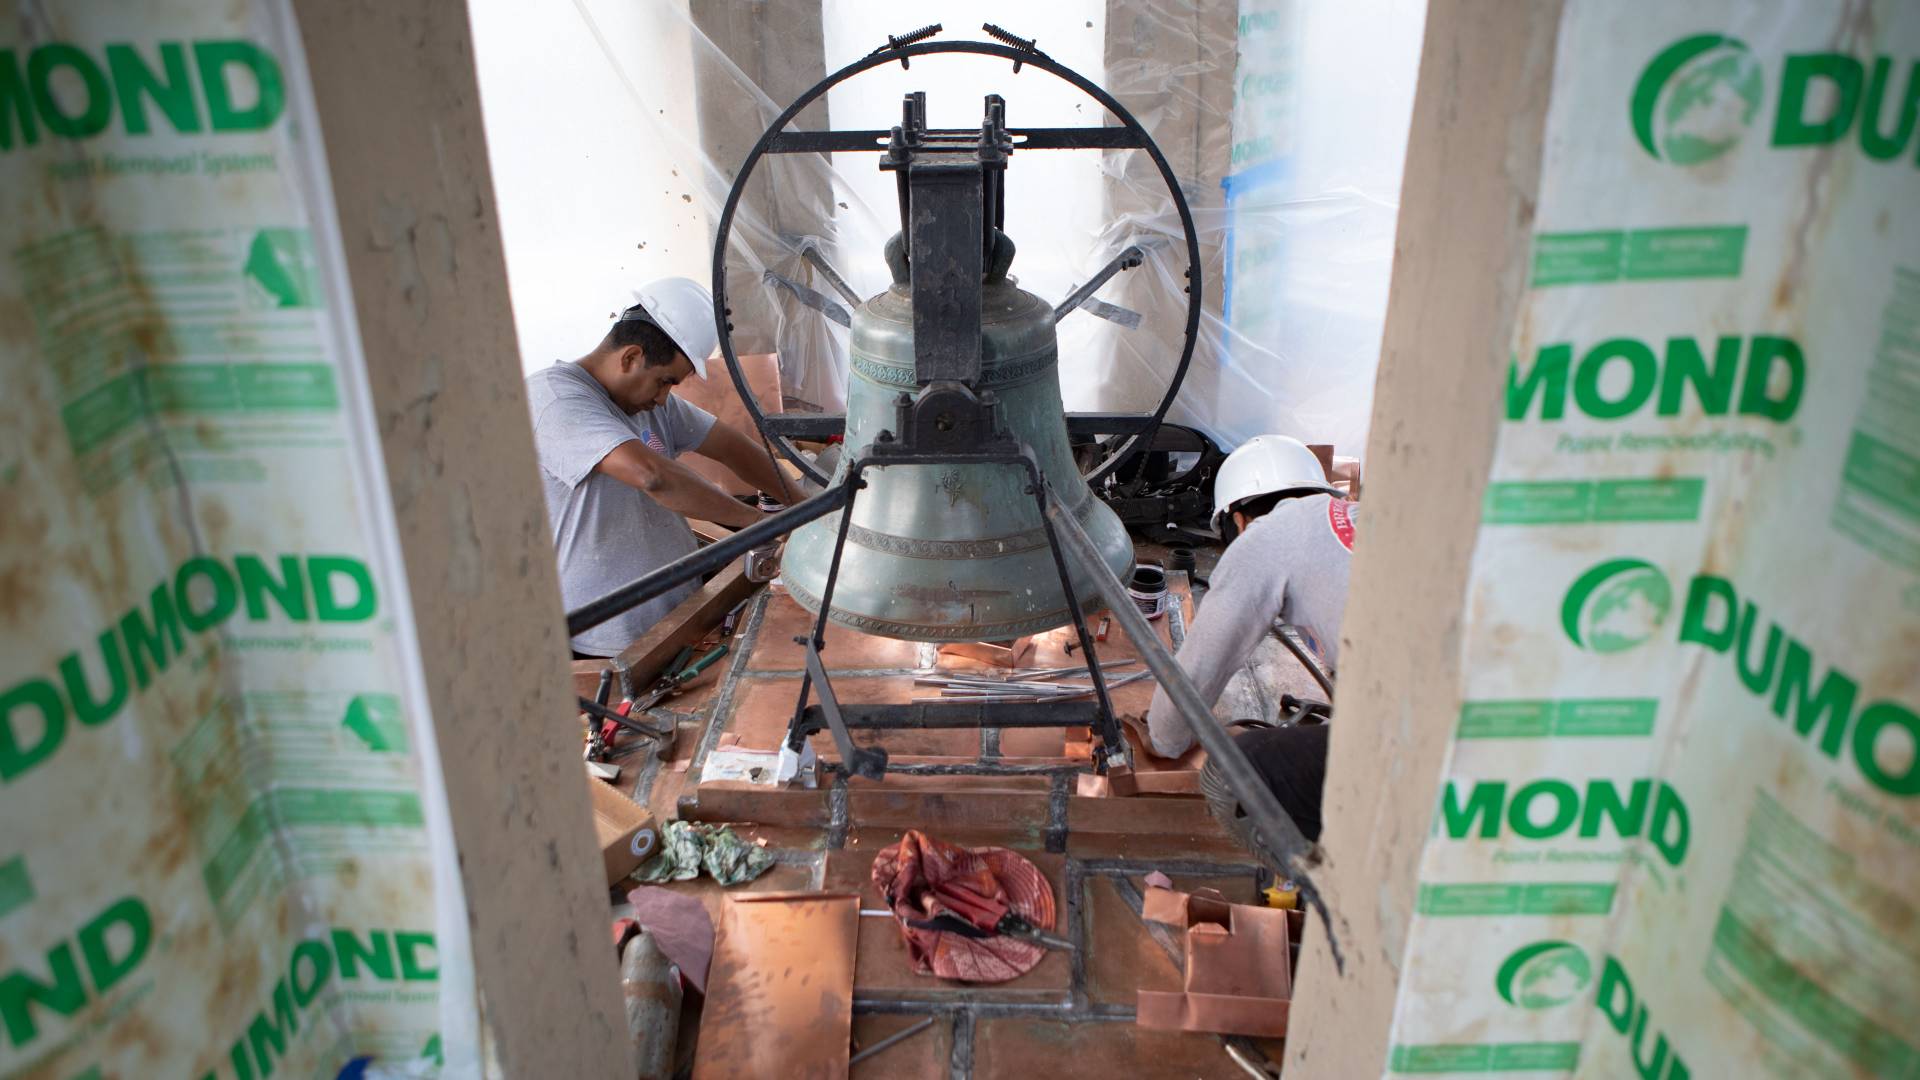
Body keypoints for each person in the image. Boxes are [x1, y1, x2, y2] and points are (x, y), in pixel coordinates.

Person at [526, 277, 796, 658]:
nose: (665, 397)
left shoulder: (647, 400)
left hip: (681, 614)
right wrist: (754, 524)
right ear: (631, 358)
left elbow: (733, 447)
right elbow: (651, 475)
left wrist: (803, 508)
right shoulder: (556, 400)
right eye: (665, 381)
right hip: (609, 643)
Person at [1142, 435, 1359, 842]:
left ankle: (1343, 886)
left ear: (1237, 520)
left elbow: (1198, 670)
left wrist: (1163, 739)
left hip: (1428, 754)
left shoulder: (1267, 536)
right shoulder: (1356, 516)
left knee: (1235, 773)